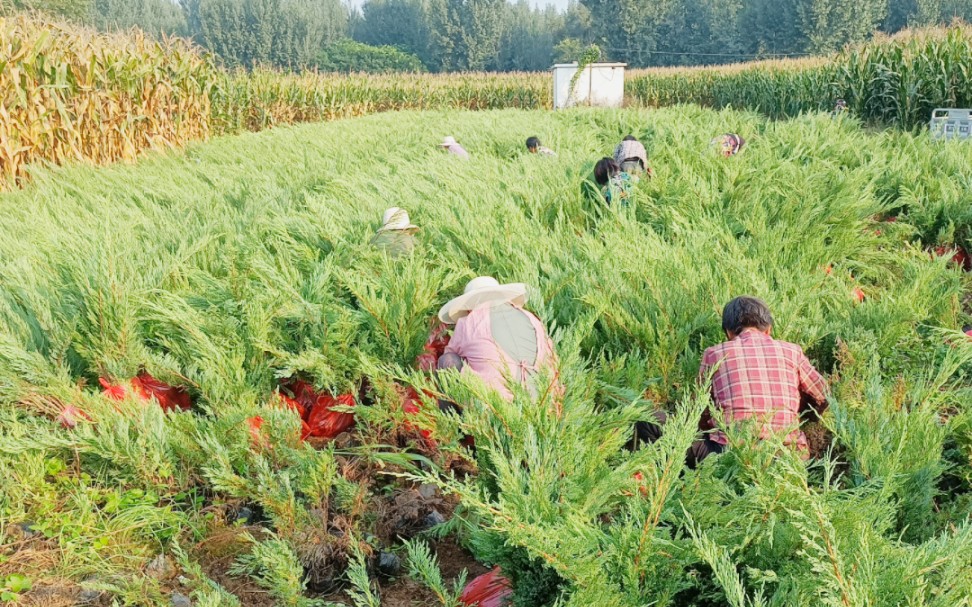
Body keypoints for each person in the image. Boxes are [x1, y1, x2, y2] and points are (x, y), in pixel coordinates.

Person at [635, 296, 829, 467]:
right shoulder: (792, 351)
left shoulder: (714, 354)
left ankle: (674, 481)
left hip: (731, 458)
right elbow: (824, 395)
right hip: (789, 457)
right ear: (768, 329)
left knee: (648, 418)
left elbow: (696, 412)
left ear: (728, 332)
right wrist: (802, 416)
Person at [437, 277, 557, 401]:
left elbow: (450, 356)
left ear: (469, 306)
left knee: (447, 361)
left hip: (497, 405)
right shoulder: (531, 317)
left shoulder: (468, 322)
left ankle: (449, 418)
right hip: (543, 398)